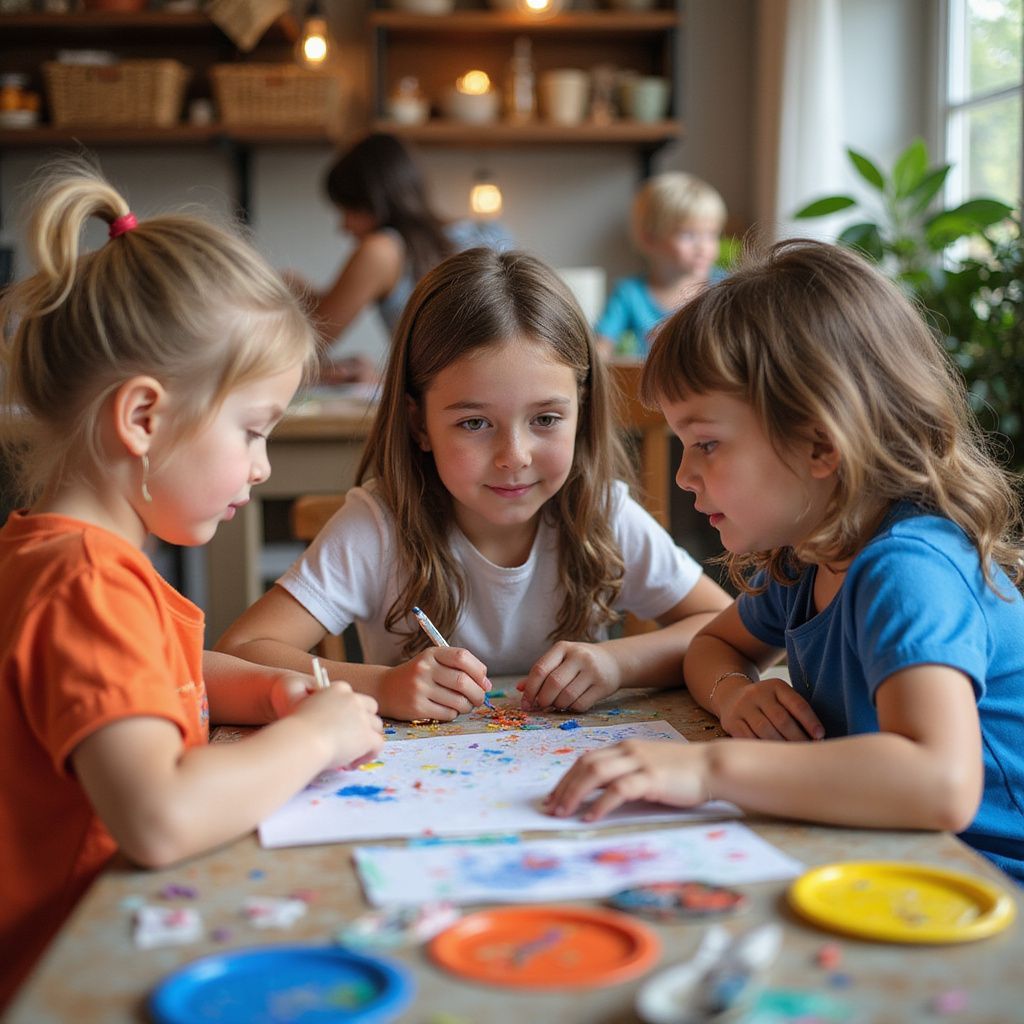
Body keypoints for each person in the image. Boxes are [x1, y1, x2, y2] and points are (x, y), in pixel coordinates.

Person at [0, 160, 385, 1008]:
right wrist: (312, 740)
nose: (262, 466)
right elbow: (160, 815)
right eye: (251, 431)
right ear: (143, 418)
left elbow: (155, 677)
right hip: (64, 974)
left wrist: (278, 691)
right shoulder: (84, 582)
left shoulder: (59, 555)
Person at [545, 239, 1024, 884]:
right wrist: (736, 694)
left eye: (707, 443)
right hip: (895, 855)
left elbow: (940, 782)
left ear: (818, 444)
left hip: (988, 882)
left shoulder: (910, 568)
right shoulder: (809, 558)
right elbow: (712, 644)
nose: (685, 476)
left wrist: (708, 770)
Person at [217, 246, 731, 722]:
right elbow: (240, 652)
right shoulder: (378, 527)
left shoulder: (604, 513)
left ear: (583, 411)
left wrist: (619, 663)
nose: (514, 457)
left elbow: (726, 629)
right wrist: (380, 686)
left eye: (546, 419)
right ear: (420, 425)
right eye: (474, 423)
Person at [284, 132, 513, 383]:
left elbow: (310, 343)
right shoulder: (487, 233)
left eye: (348, 210)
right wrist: (381, 379)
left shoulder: (381, 251)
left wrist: (286, 295)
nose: (344, 227)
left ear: (372, 202)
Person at [595, 171, 727, 360]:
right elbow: (601, 347)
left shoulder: (726, 288)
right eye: (689, 235)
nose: (703, 247)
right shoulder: (629, 293)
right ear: (649, 239)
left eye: (711, 234)